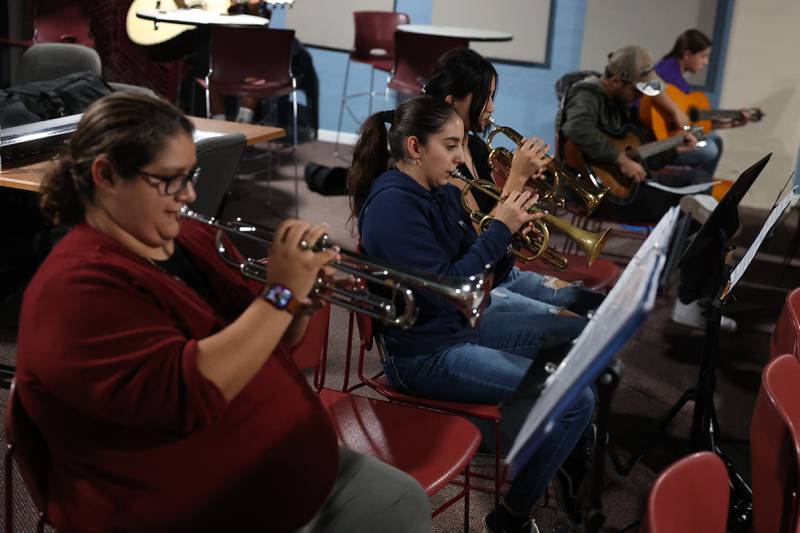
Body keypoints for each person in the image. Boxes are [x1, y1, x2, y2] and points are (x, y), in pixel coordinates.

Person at [15, 92, 431, 533]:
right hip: (182, 504)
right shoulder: (76, 289)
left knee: (403, 499)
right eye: (171, 179)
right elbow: (189, 391)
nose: (191, 193)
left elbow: (272, 339)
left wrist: (302, 302)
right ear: (107, 176)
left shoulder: (189, 236)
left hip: (285, 469)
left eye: (190, 174)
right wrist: (282, 294)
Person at [348, 95, 595, 533]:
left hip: (461, 326)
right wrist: (500, 227)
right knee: (576, 401)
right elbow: (449, 289)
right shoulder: (392, 207)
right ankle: (511, 517)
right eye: (451, 145)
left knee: (583, 340)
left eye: (461, 144)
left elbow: (484, 272)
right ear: (414, 147)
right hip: (423, 353)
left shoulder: (437, 190)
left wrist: (512, 232)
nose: (463, 156)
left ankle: (549, 444)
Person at [556, 46, 736, 332]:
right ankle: (683, 296)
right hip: (597, 192)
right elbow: (578, 129)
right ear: (616, 81)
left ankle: (688, 293)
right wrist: (620, 161)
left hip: (621, 186)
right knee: (695, 199)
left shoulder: (619, 102)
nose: (641, 96)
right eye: (637, 90)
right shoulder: (588, 93)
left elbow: (638, 154)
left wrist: (676, 146)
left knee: (701, 188)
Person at [423, 47, 605, 319]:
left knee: (596, 305)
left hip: (504, 272)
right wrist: (517, 178)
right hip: (479, 288)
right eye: (485, 98)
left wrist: (527, 196)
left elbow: (497, 218)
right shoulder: (439, 168)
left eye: (492, 97)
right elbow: (480, 242)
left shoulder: (476, 146)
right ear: (451, 103)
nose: (492, 108)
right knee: (573, 324)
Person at [653, 29, 745, 177]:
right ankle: (696, 187)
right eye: (703, 56)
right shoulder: (669, 75)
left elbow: (690, 123)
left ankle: (700, 187)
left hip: (673, 132)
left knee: (714, 140)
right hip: (658, 138)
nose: (706, 62)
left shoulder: (673, 72)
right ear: (687, 54)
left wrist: (729, 123)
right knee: (710, 149)